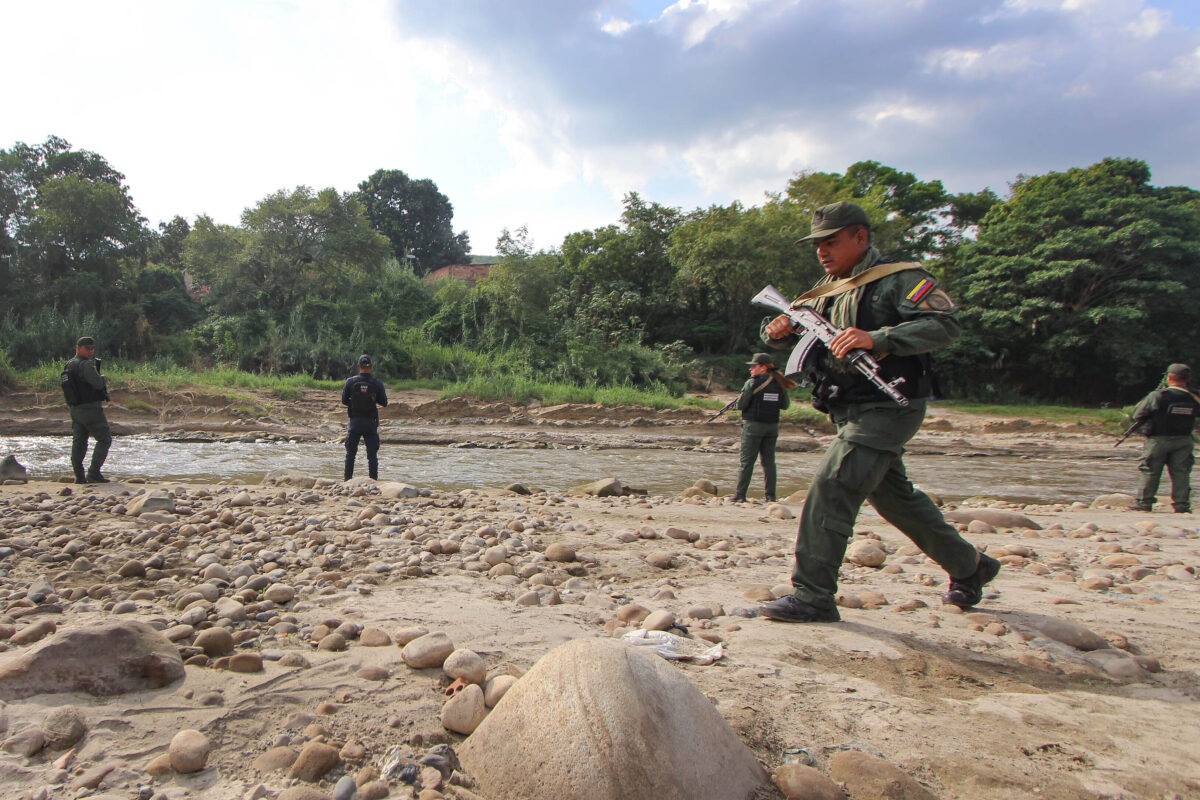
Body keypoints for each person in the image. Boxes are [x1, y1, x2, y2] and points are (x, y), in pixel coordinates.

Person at [757, 201, 999, 623]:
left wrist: (877, 337)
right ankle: (970, 566)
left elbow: (946, 326)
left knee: (833, 486)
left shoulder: (900, 279)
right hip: (848, 407)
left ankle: (812, 596)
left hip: (889, 405)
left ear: (860, 237)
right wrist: (779, 332)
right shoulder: (828, 287)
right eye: (817, 245)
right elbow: (797, 336)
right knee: (894, 498)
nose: (821, 252)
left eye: (831, 242)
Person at [1129, 363, 1200, 513]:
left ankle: (1144, 503)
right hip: (1184, 440)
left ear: (1169, 377)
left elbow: (1137, 415)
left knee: (1150, 470)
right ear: (1188, 379)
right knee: (1181, 472)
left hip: (1158, 440)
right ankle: (1182, 505)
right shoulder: (1195, 396)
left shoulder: (1158, 395)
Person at [731, 353, 796, 503]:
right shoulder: (779, 383)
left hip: (753, 426)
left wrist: (736, 403)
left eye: (753, 366)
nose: (751, 369)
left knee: (746, 462)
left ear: (763, 367)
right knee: (769, 462)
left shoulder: (752, 383)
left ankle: (740, 495)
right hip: (772, 427)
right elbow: (785, 406)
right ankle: (771, 496)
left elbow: (741, 405)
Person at [61, 336, 112, 484]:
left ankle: (79, 476)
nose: (91, 351)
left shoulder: (69, 365)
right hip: (90, 409)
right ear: (78, 348)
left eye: (92, 348)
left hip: (75, 409)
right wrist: (103, 378)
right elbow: (97, 384)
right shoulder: (85, 365)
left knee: (79, 442)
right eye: (87, 348)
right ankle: (94, 472)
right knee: (104, 439)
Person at [341, 354, 388, 480]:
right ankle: (373, 481)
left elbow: (344, 401)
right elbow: (384, 402)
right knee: (372, 455)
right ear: (371, 367)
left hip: (355, 421)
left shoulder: (350, 381)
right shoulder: (377, 383)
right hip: (370, 422)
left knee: (350, 454)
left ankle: (347, 480)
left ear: (358, 366)